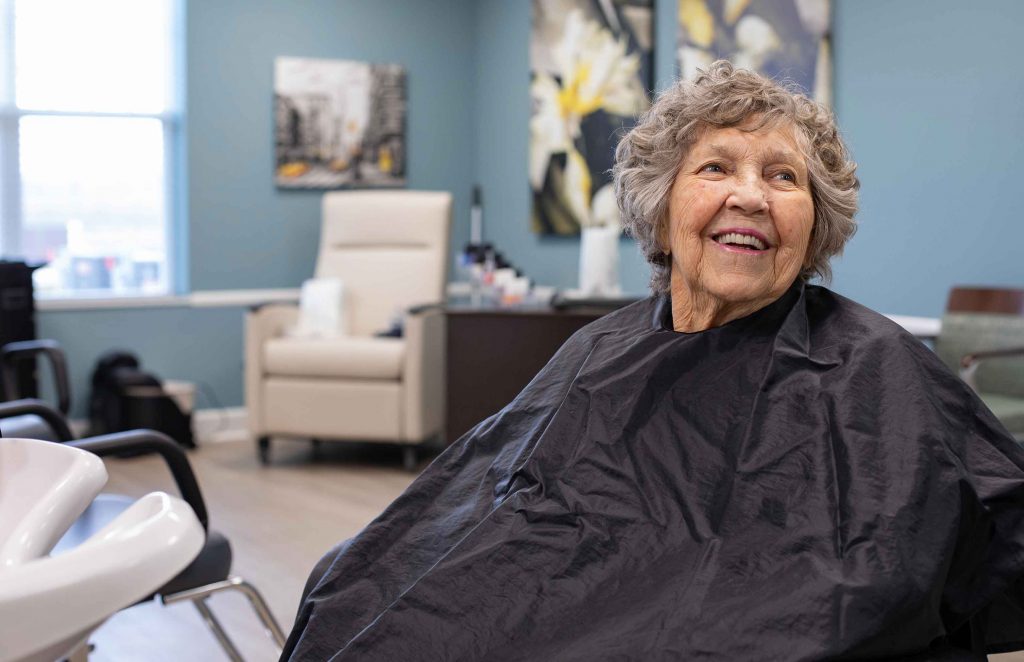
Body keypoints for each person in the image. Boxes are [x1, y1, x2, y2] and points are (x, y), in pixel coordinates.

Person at [282, 61, 1024, 660]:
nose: (750, 196)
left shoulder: (876, 369)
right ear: (661, 210)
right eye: (716, 168)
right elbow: (484, 503)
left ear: (816, 225)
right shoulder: (601, 349)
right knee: (354, 595)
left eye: (783, 177)